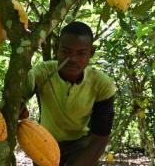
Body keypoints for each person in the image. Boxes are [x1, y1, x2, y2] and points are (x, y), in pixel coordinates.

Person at [24, 21, 115, 166]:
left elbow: (100, 138)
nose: (73, 59)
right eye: (66, 51)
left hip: (80, 145)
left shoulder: (101, 84)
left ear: (91, 53)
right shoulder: (43, 73)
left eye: (81, 53)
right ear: (56, 49)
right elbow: (20, 93)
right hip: (45, 141)